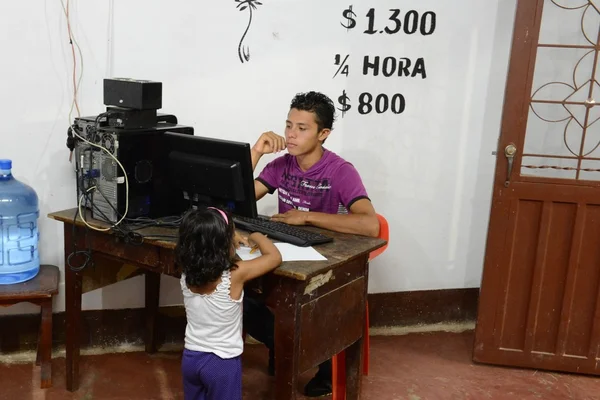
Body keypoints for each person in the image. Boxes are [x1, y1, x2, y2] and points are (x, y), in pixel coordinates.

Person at [243, 91, 379, 397]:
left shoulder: (340, 171)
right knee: (240, 292)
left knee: (317, 304)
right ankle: (285, 346)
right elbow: (238, 199)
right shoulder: (281, 165)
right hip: (287, 254)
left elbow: (369, 223)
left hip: (327, 261)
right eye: (289, 125)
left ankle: (322, 365)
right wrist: (256, 152)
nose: (291, 134)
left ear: (323, 134)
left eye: (302, 128)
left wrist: (306, 217)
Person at [176, 207, 282, 400]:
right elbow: (274, 257)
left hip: (191, 359)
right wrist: (256, 235)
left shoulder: (186, 273)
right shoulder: (235, 275)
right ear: (225, 245)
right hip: (222, 364)